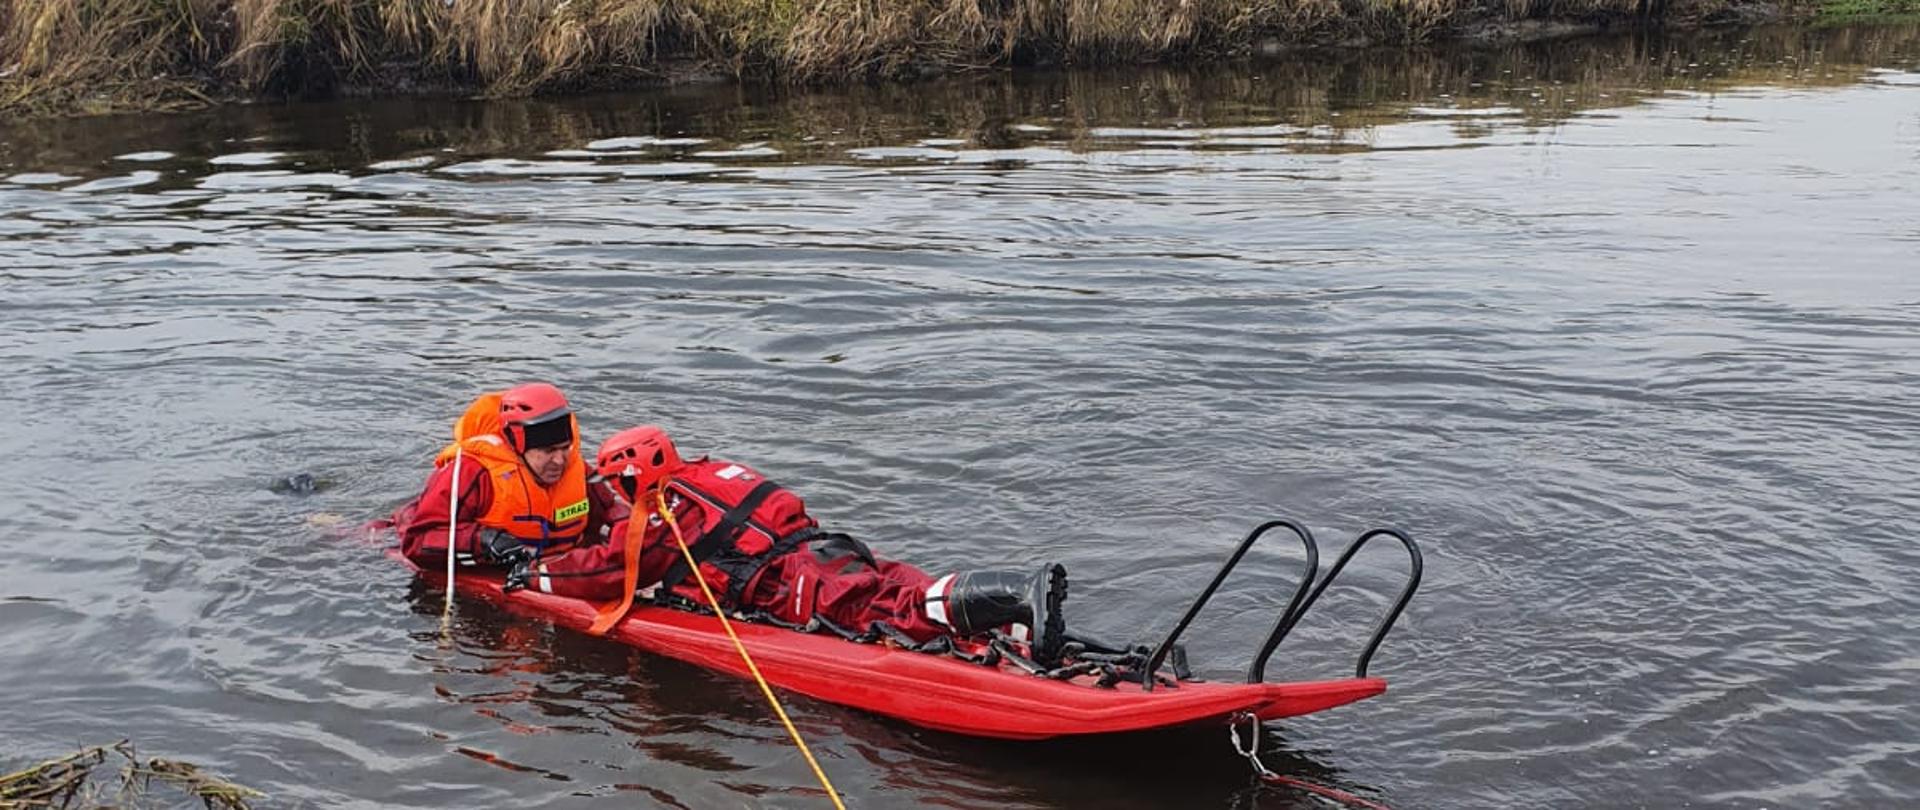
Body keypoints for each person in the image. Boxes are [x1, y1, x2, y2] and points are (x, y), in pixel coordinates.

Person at [510, 425, 1075, 667]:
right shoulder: (712, 472)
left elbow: (609, 573)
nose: (617, 494)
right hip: (832, 549)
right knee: (906, 583)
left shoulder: (664, 510)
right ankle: (1022, 626)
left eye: (618, 484)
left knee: (891, 614)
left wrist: (532, 575)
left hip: (798, 583)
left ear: (632, 475)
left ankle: (1019, 592)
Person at [391, 382, 616, 572]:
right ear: (518, 446)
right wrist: (486, 541)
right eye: (548, 451)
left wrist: (635, 532)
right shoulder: (472, 472)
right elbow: (417, 544)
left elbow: (612, 512)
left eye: (564, 448)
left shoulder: (578, 470)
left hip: (556, 566)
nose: (559, 461)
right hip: (492, 566)